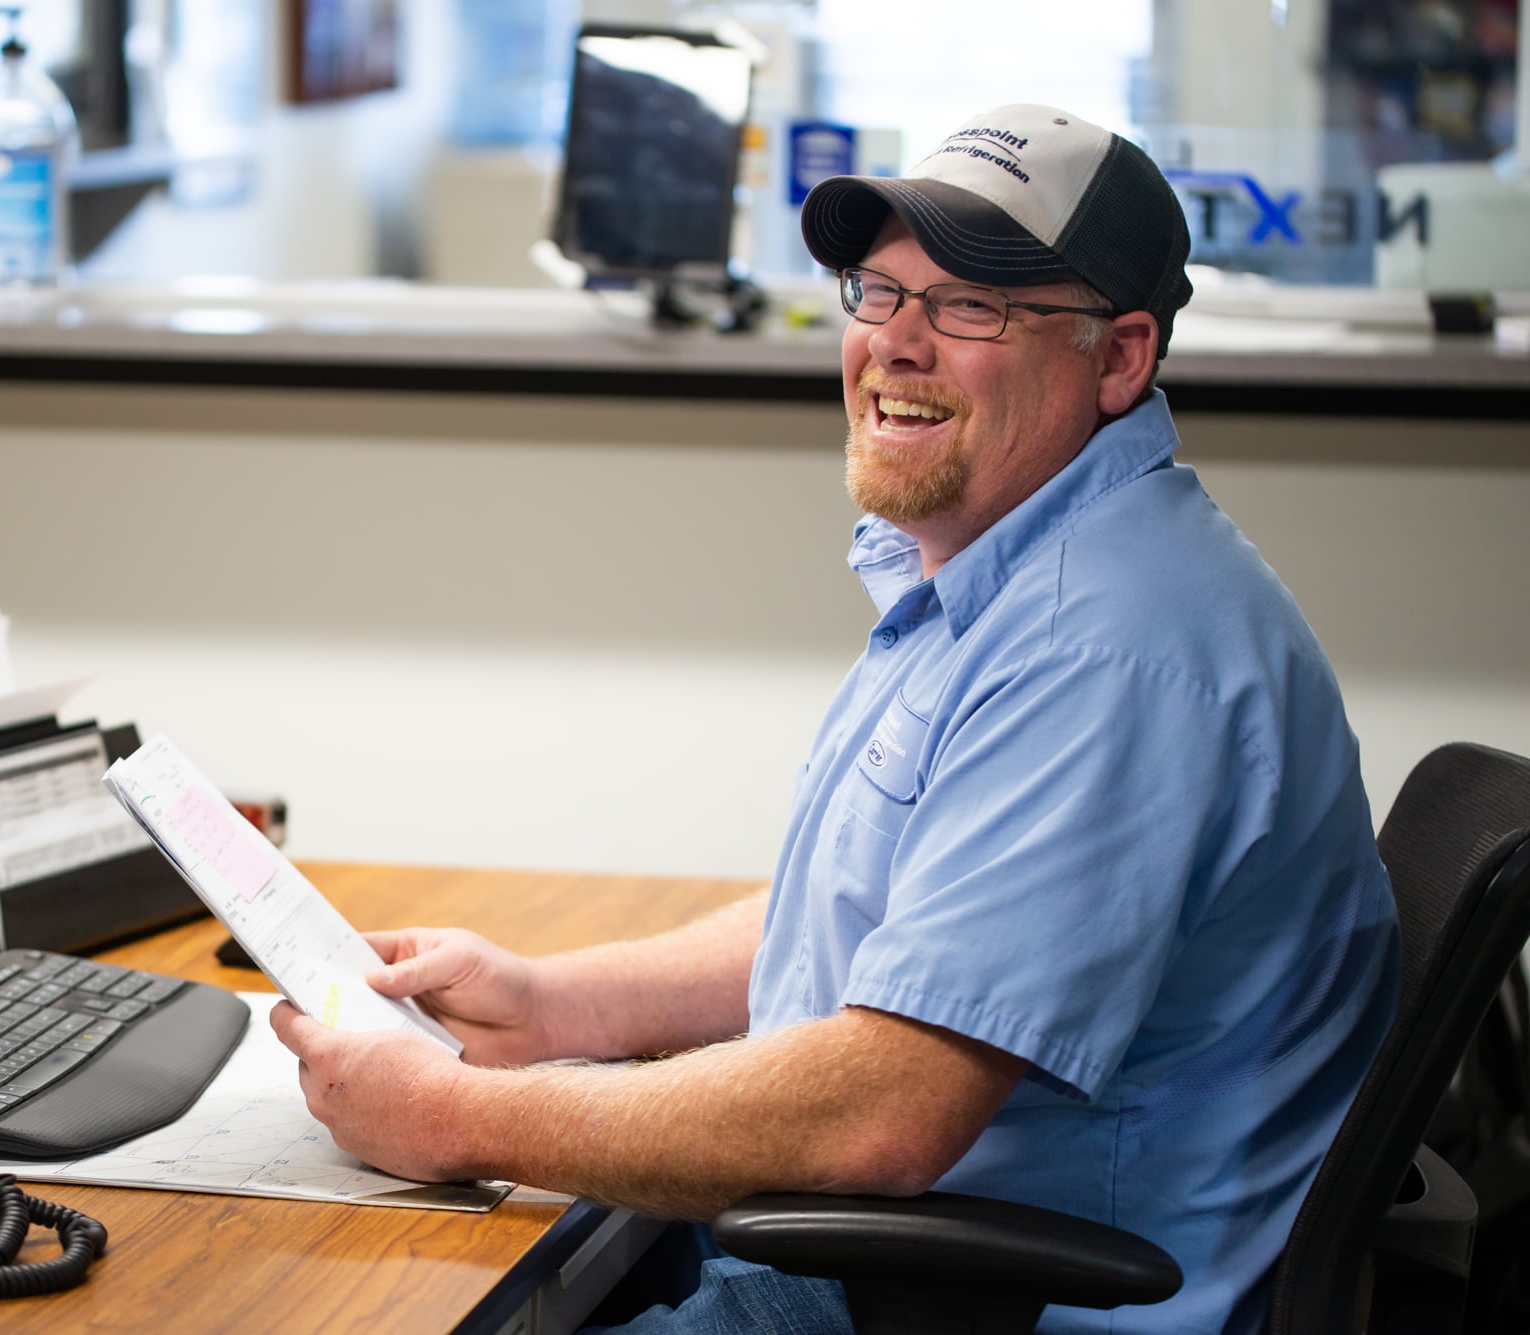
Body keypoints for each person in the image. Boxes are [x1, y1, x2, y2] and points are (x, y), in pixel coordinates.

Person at [271, 104, 1400, 1333]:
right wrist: (553, 1004)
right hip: (892, 1260)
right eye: (878, 292)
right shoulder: (1006, 569)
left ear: (1118, 357)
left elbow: (878, 1112)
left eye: (972, 305)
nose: (895, 346)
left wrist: (447, 1117)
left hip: (966, 1298)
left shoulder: (1109, 649)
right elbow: (886, 917)